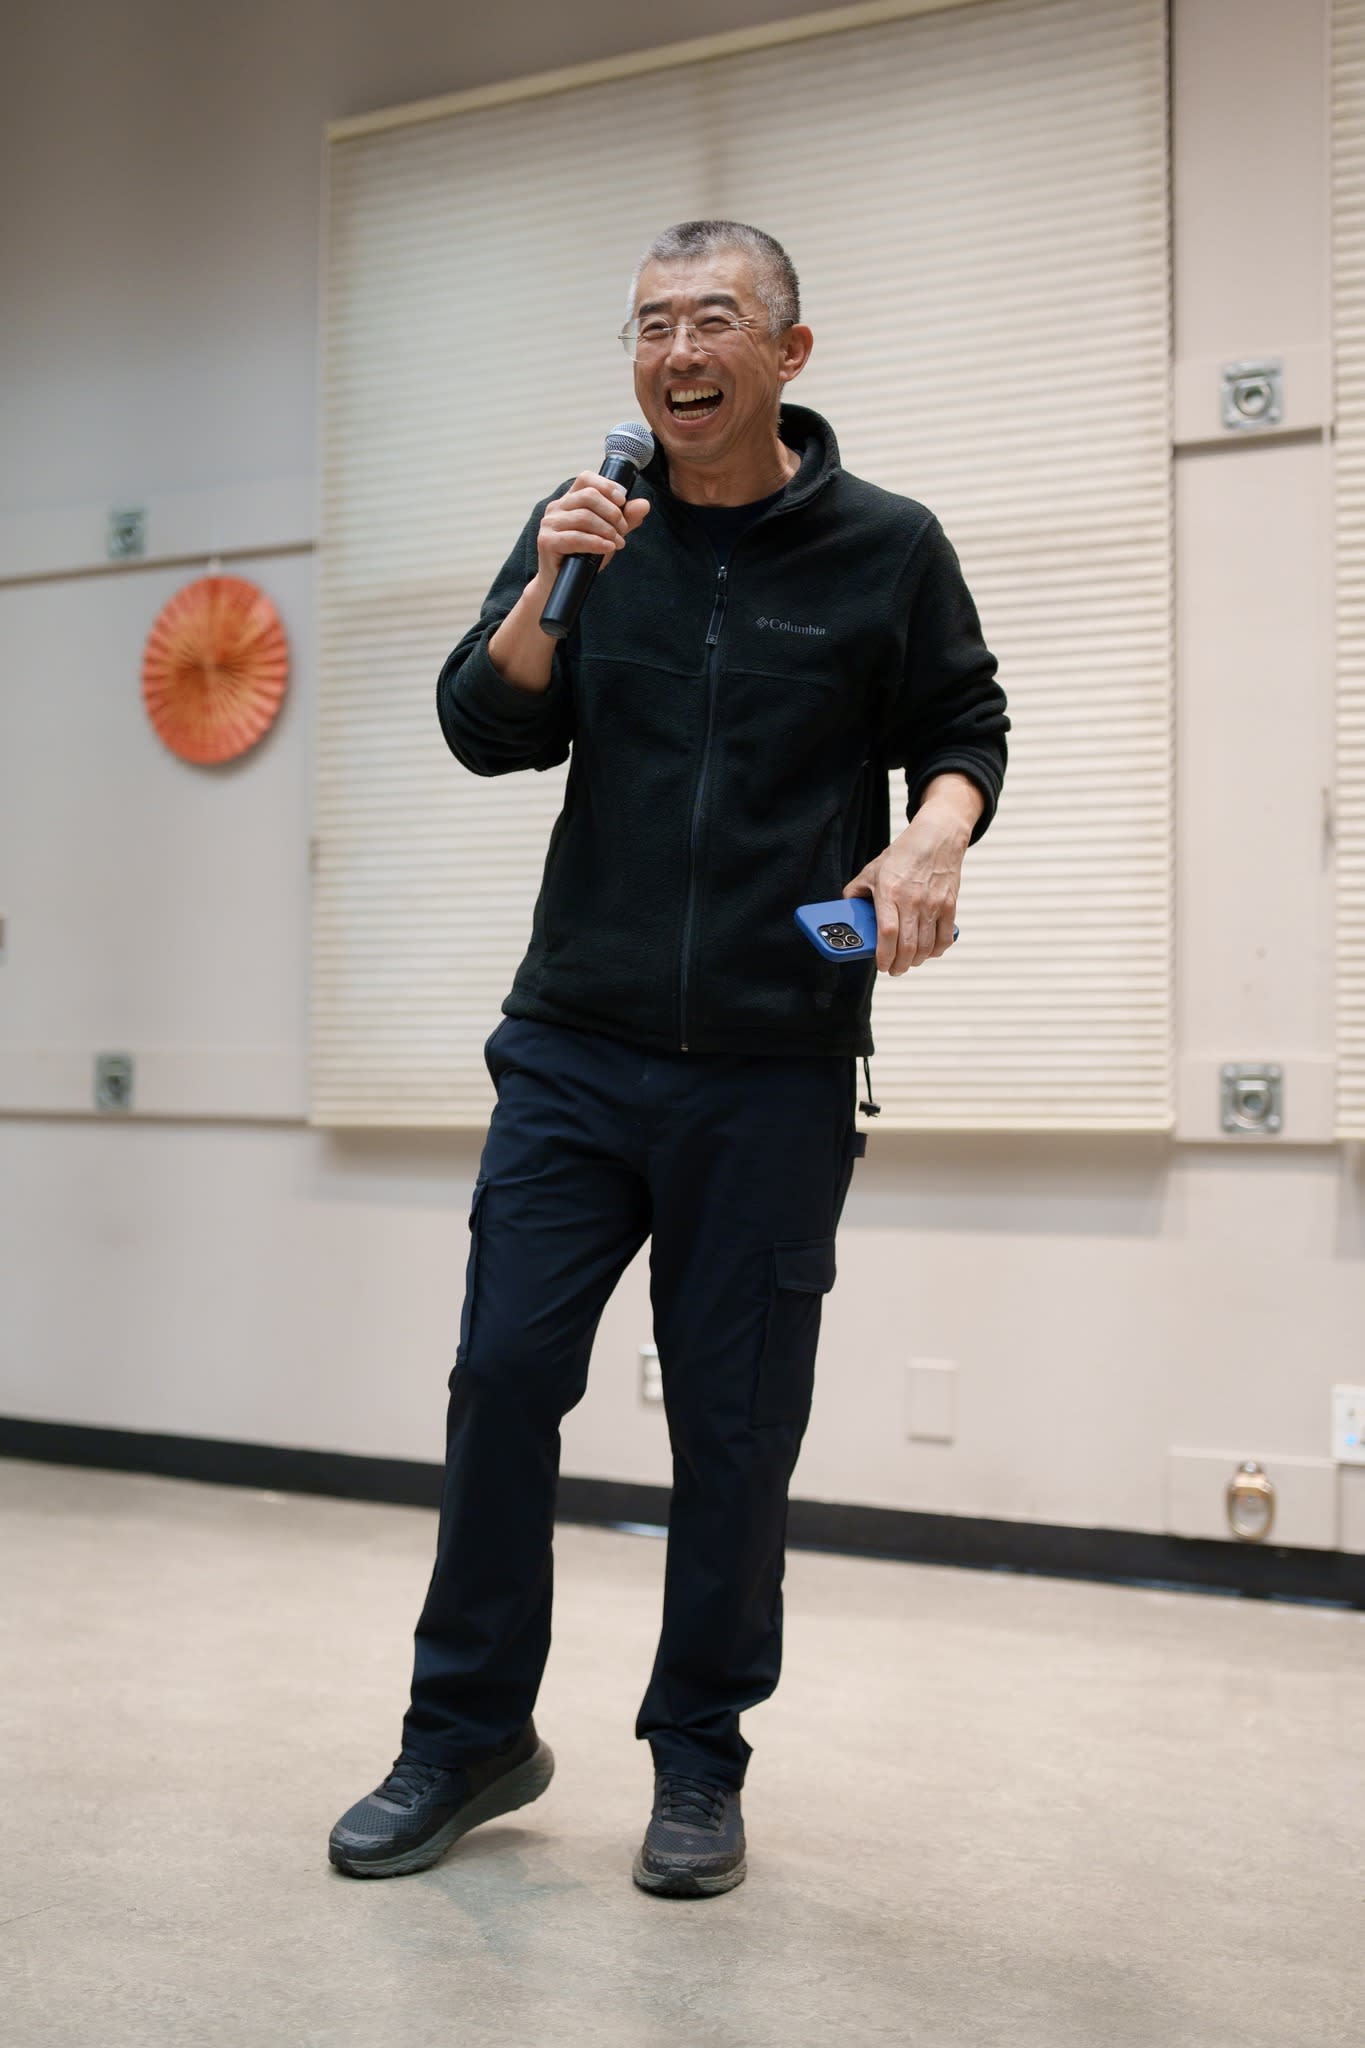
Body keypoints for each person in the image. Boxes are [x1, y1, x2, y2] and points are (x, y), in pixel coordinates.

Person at [329, 220, 1009, 1898]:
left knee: (733, 1425)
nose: (676, 351)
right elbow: (483, 728)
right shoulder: (589, 525)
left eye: (713, 319)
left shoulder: (885, 546)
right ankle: (464, 1737)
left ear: (789, 351)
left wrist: (933, 835)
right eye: (648, 324)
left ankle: (699, 1761)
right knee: (503, 1378)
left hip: (773, 1064)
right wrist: (548, 587)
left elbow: (963, 725)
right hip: (574, 1047)